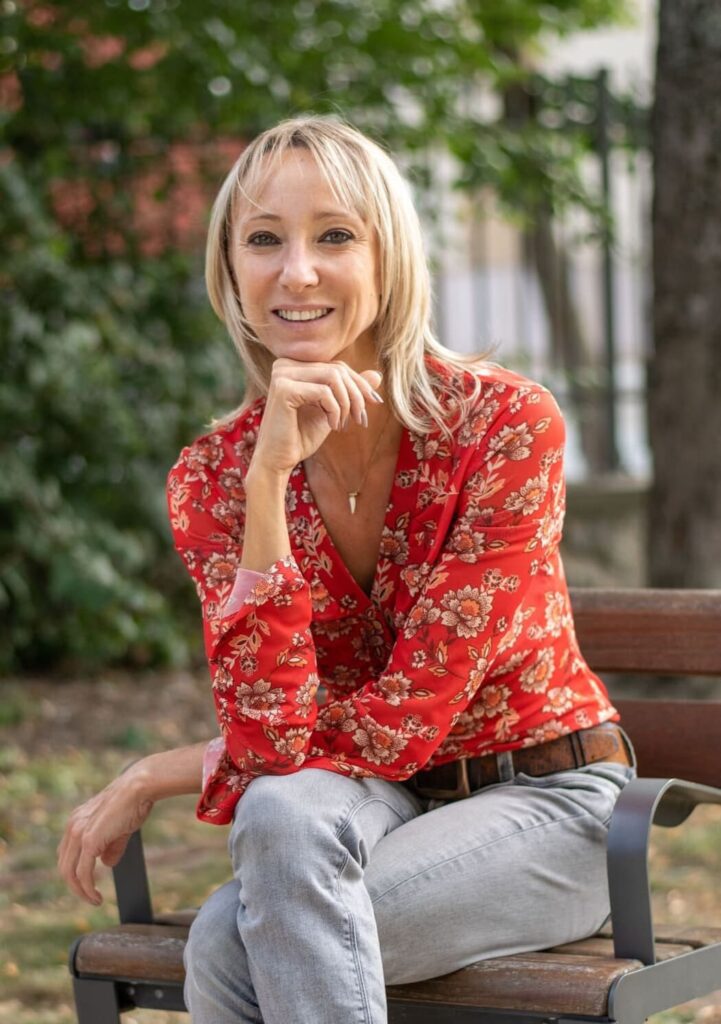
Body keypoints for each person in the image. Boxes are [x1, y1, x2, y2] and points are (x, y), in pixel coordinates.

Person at [58, 115, 635, 1024]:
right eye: (263, 240)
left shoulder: (501, 426)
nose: (296, 272)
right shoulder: (216, 476)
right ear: (229, 271)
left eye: (334, 236)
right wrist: (267, 483)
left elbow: (407, 716)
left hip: (547, 807)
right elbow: (268, 741)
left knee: (229, 945)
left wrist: (163, 771)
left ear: (387, 258)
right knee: (277, 814)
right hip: (370, 812)